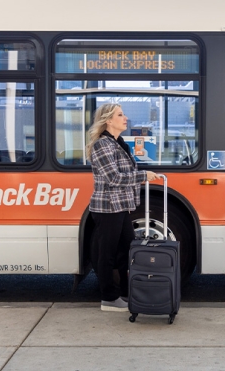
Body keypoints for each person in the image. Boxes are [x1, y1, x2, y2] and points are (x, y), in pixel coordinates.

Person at [86, 103, 160, 312]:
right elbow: (114, 178)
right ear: (108, 120)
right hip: (107, 208)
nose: (125, 118)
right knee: (107, 254)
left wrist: (139, 177)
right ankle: (108, 298)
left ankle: (126, 294)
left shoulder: (118, 143)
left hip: (120, 206)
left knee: (126, 250)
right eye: (120, 114)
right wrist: (143, 175)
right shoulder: (103, 145)